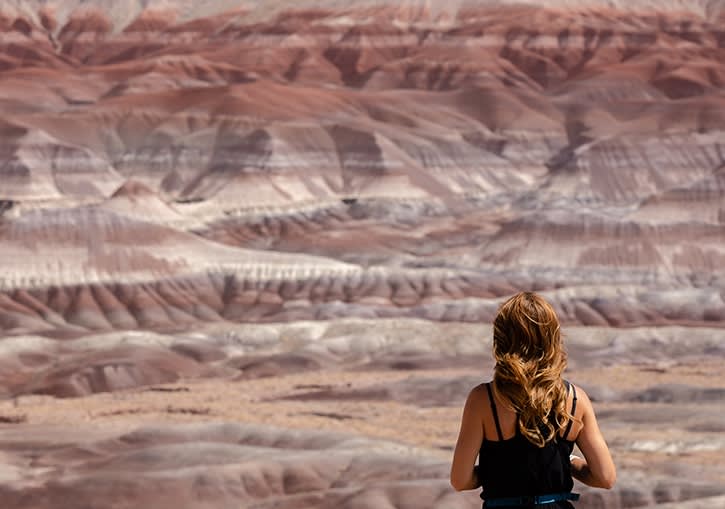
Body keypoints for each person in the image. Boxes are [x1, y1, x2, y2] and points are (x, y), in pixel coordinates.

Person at [450, 291, 615, 507]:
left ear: (502, 338)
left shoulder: (484, 400)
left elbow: (460, 480)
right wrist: (568, 462)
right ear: (552, 337)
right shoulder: (575, 400)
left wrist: (496, 470)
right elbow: (605, 477)